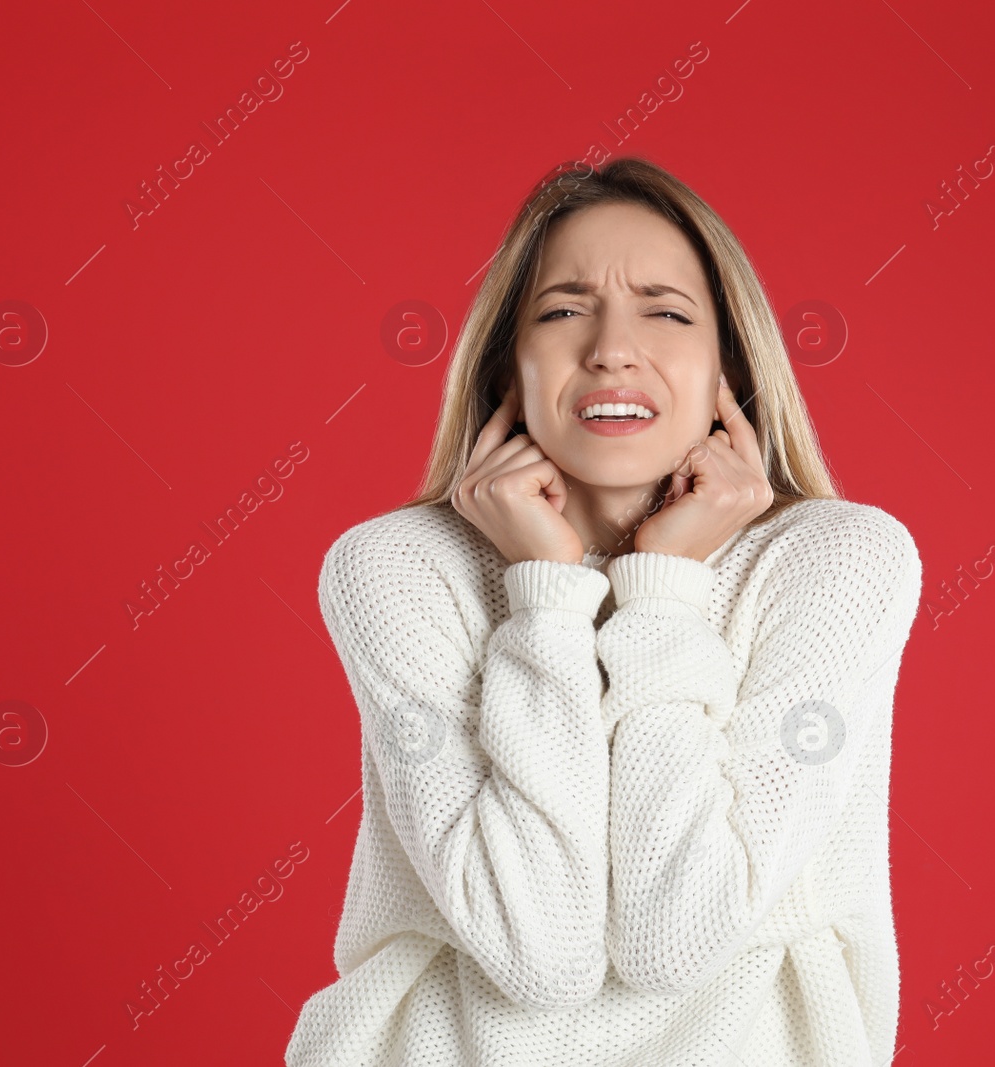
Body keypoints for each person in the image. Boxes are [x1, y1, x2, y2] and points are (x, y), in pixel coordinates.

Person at [285, 156, 923, 1066]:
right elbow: (537, 953)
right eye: (562, 310)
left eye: (665, 311)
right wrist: (544, 597)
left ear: (726, 373)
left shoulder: (834, 561)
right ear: (509, 366)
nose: (612, 348)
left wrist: (662, 587)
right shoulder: (396, 568)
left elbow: (677, 938)